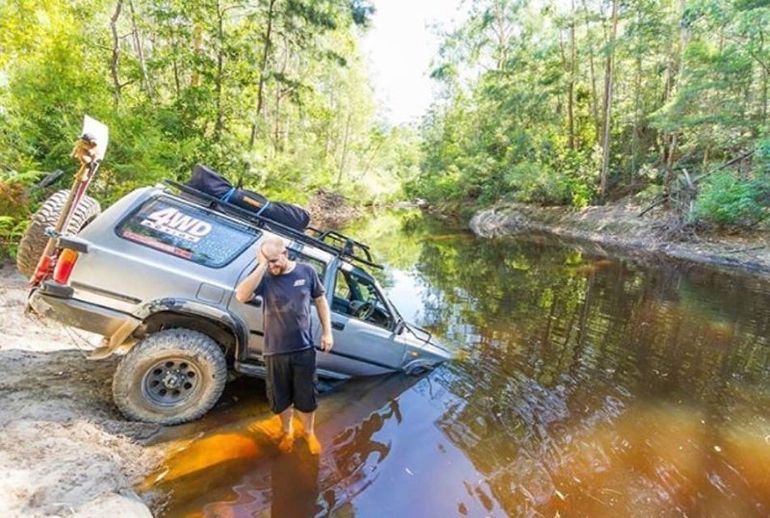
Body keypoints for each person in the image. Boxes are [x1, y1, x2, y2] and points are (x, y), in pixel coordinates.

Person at [235, 236, 333, 455]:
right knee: (280, 399)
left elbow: (320, 300)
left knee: (306, 397)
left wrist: (328, 332)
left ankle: (308, 433)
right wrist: (262, 265)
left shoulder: (307, 271)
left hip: (303, 349)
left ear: (286, 253)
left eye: (275, 261)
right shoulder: (265, 276)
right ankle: (287, 431)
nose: (272, 266)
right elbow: (241, 295)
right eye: (267, 261)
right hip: (274, 351)